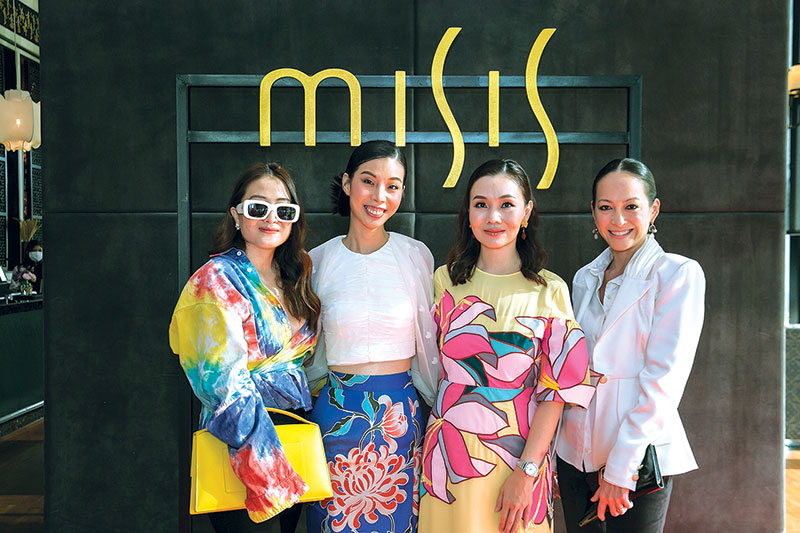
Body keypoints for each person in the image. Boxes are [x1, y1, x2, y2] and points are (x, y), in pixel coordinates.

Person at [418, 159, 597, 533]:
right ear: (468, 213)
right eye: (481, 204)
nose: (493, 217)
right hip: (449, 456)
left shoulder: (550, 290)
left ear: (527, 212)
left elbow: (556, 394)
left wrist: (527, 471)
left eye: (506, 204)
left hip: (517, 459)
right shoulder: (442, 281)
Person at [555, 158, 705, 533]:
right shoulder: (584, 278)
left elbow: (663, 381)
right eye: (606, 207)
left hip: (638, 459)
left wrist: (622, 468)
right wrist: (555, 454)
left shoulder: (677, 274)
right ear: (593, 212)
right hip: (574, 455)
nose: (618, 219)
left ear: (653, 210)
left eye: (631, 206)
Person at [169, 162, 320, 532]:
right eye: (257, 207)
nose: (271, 218)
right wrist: (270, 474)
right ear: (236, 215)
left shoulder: (295, 276)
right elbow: (222, 386)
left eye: (283, 209)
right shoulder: (214, 281)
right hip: (242, 448)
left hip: (292, 440)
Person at [305, 140, 441, 533]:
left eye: (393, 186)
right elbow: (307, 351)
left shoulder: (416, 255)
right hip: (335, 415)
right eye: (369, 181)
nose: (380, 196)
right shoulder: (317, 261)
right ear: (348, 183)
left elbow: (429, 343)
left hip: (400, 417)